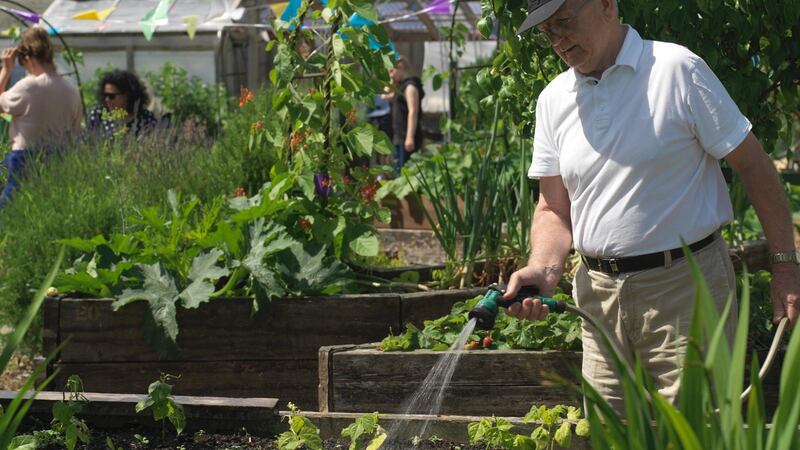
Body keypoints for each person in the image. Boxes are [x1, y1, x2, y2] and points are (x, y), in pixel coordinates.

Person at [503, 0, 800, 414]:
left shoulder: (676, 70)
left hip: (684, 290)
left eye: (565, 22)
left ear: (607, 4)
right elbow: (553, 208)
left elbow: (754, 166)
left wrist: (785, 264)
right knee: (610, 437)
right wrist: (545, 269)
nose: (558, 40)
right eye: (546, 30)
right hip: (599, 299)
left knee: (698, 434)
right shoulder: (554, 99)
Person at [0, 27, 82, 208]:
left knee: (10, 210)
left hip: (25, 158)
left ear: (28, 59)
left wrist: (6, 70)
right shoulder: (70, 90)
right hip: (59, 157)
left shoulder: (28, 86)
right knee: (46, 207)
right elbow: (76, 132)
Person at [87, 69, 157, 138]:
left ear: (126, 95)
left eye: (111, 96)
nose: (107, 99)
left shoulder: (146, 118)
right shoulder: (98, 115)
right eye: (105, 95)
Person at [385, 57, 425, 175]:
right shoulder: (400, 87)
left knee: (406, 175)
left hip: (406, 137)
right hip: (399, 136)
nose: (390, 75)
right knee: (399, 173)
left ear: (401, 68)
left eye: (392, 71)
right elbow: (385, 95)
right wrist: (392, 80)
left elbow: (413, 111)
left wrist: (409, 137)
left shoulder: (410, 87)